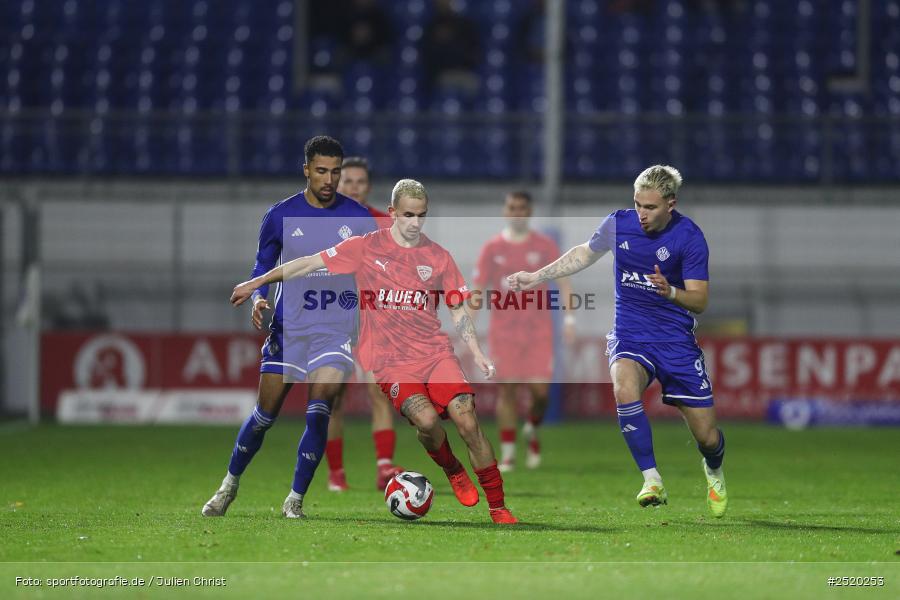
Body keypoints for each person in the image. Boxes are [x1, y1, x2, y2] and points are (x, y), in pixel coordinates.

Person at [231, 179, 519, 524]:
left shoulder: (438, 256)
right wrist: (257, 283)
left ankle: (498, 507)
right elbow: (307, 263)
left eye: (422, 216)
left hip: (435, 354)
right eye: (408, 215)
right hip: (391, 361)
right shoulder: (365, 247)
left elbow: (458, 309)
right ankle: (452, 468)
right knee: (427, 422)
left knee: (467, 419)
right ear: (393, 213)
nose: (415, 223)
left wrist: (477, 351)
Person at [507, 165, 728, 518]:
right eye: (638, 204)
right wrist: (537, 276)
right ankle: (651, 479)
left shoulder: (689, 237)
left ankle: (714, 469)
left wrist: (670, 291)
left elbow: (700, 300)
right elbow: (583, 252)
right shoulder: (618, 223)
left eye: (650, 207)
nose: (641, 213)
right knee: (624, 389)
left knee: (707, 437)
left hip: (675, 343)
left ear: (671, 204)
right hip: (630, 333)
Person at [202, 136, 376, 519]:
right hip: (289, 327)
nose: (329, 180)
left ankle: (295, 500)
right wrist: (258, 295)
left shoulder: (359, 218)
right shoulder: (281, 215)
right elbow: (260, 267)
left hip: (336, 329)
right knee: (265, 415)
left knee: (320, 409)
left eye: (335, 172)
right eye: (321, 171)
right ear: (306, 170)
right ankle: (228, 486)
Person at [472, 191, 575, 472]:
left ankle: (531, 426)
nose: (517, 212)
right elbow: (478, 292)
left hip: (538, 332)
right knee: (507, 391)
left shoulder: (545, 246)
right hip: (504, 334)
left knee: (541, 394)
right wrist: (467, 331)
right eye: (512, 207)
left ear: (529, 212)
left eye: (522, 208)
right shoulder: (492, 249)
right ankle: (508, 454)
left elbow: (564, 281)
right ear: (505, 211)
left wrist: (569, 320)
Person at [325, 156, 402, 492]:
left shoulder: (385, 224)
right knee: (332, 399)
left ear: (368, 187)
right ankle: (335, 472)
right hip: (333, 320)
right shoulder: (320, 224)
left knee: (379, 394)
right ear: (337, 185)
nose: (354, 187)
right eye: (348, 182)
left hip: (376, 321)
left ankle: (384, 468)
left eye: (359, 182)